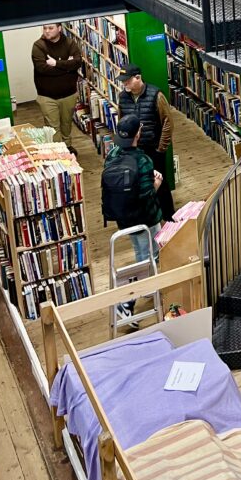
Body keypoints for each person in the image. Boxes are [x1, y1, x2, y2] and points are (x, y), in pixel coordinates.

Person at [101, 115, 164, 330]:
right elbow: (147, 195)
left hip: (123, 218)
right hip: (145, 219)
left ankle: (147, 288)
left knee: (140, 253)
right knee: (150, 258)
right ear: (139, 133)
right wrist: (155, 183)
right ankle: (127, 302)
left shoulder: (112, 154)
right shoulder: (143, 160)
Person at [118, 64, 175, 220]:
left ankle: (169, 216)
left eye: (127, 81)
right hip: (134, 150)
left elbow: (167, 123)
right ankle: (148, 214)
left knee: (161, 184)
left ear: (138, 78)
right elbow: (121, 121)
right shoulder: (122, 97)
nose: (124, 84)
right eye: (123, 81)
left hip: (153, 148)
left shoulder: (156, 95)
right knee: (139, 182)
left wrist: (161, 149)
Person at [31, 22, 82, 151]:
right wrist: (66, 67)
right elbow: (42, 69)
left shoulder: (70, 43)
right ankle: (59, 152)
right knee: (53, 128)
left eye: (50, 28)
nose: (47, 31)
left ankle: (68, 146)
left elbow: (77, 63)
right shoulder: (38, 46)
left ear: (59, 29)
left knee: (66, 124)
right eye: (44, 28)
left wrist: (56, 63)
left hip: (69, 94)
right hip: (47, 96)